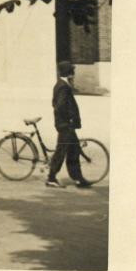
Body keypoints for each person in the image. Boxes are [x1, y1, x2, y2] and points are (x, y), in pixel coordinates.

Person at [46, 59, 92, 188]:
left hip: (66, 125)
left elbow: (56, 104)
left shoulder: (61, 84)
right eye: (72, 71)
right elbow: (60, 106)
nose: (74, 73)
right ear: (69, 73)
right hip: (65, 125)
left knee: (74, 150)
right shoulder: (63, 86)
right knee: (61, 151)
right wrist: (69, 119)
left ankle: (78, 178)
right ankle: (51, 178)